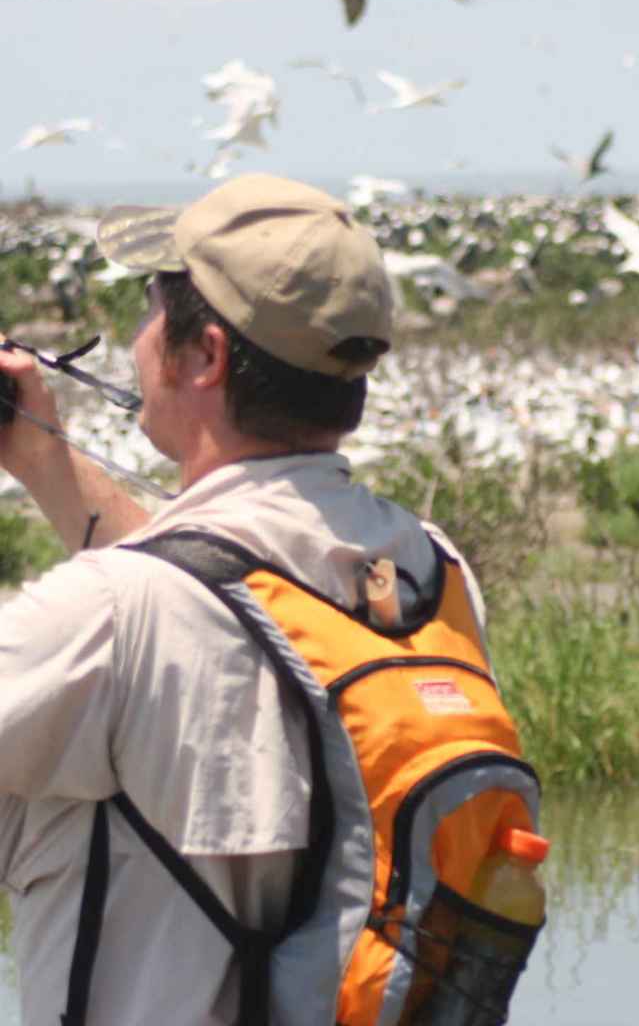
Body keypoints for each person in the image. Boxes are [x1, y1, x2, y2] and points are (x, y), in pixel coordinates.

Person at [0, 174, 501, 1024]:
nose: (137, 337)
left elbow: (167, 602)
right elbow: (219, 591)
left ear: (204, 356)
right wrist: (41, 459)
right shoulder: (429, 572)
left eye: (152, 308)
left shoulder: (116, 617)